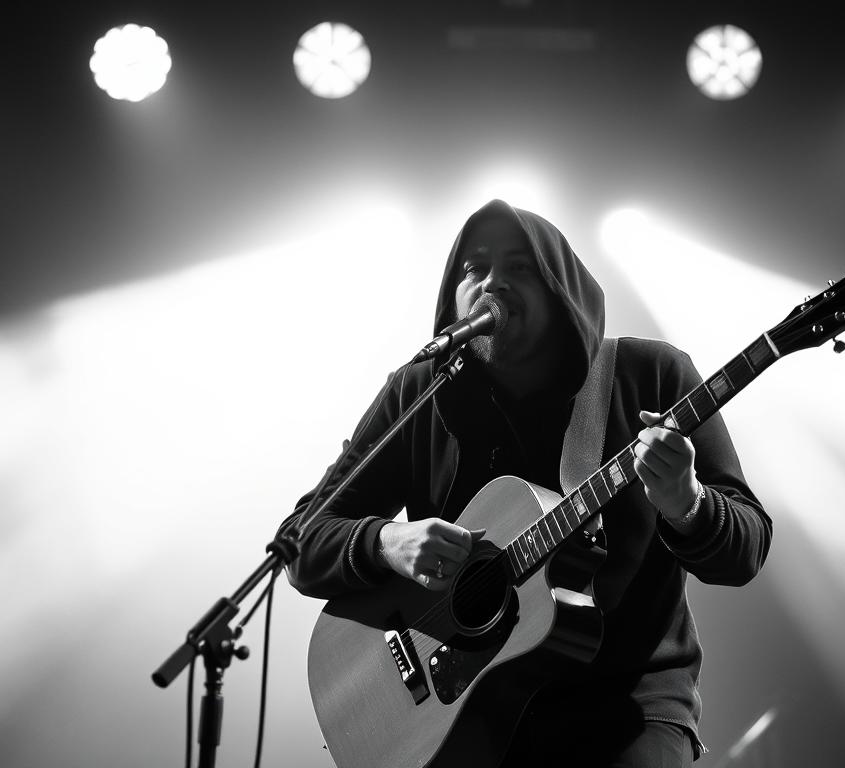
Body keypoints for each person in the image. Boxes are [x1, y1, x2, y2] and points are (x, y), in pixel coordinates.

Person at [279, 199, 771, 768]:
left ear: (560, 289)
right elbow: (301, 539)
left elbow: (747, 549)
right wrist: (387, 543)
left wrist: (688, 505)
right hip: (463, 720)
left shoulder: (650, 376)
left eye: (519, 267)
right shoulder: (419, 393)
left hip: (624, 713)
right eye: (475, 268)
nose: (492, 282)